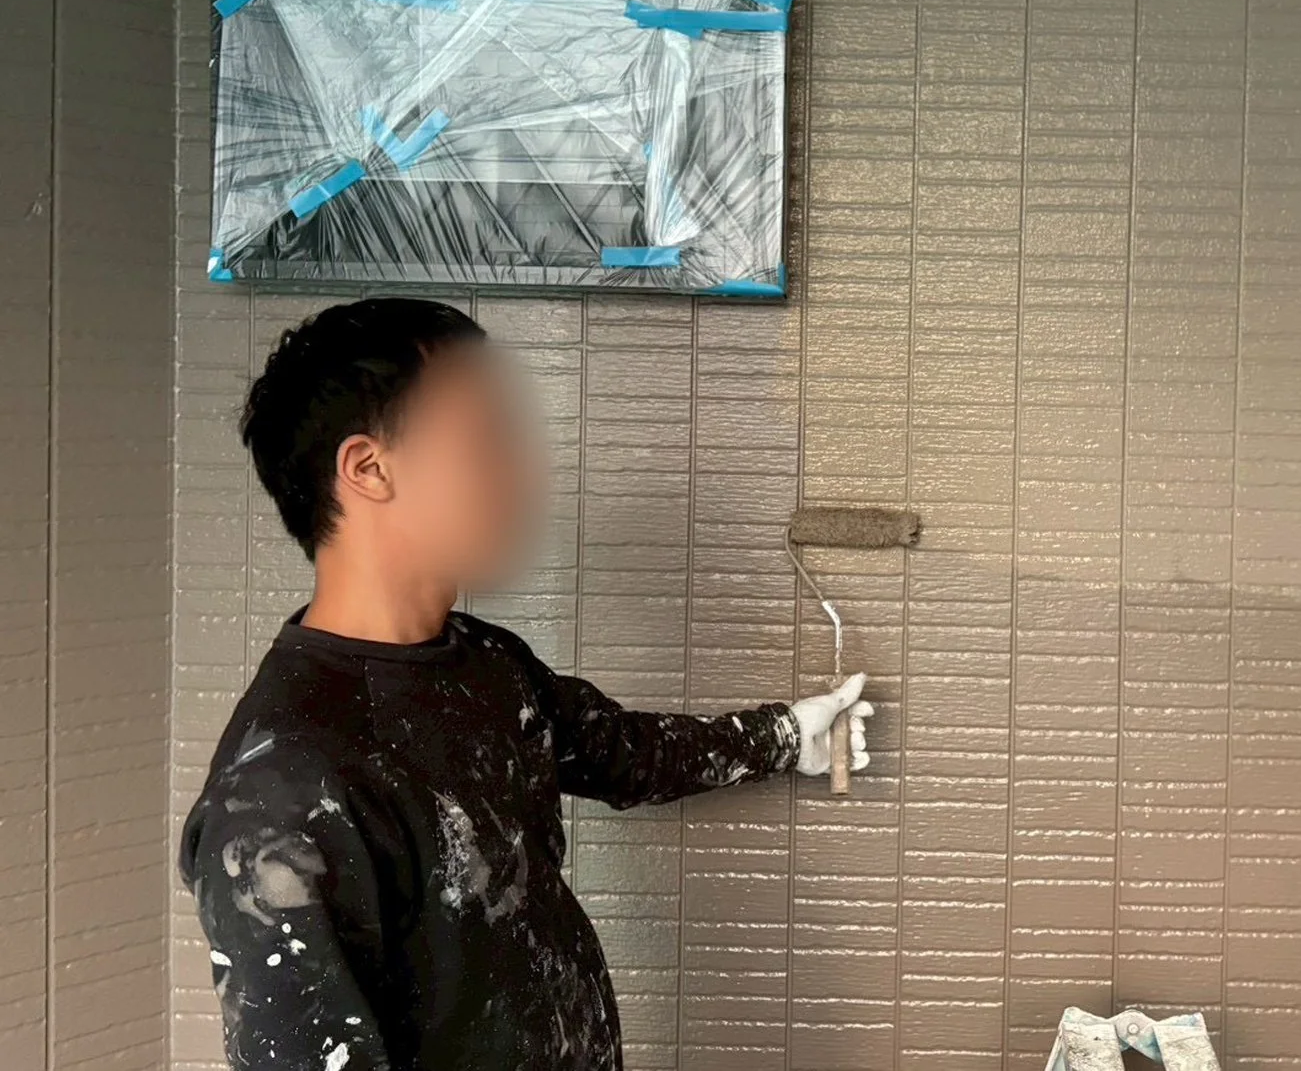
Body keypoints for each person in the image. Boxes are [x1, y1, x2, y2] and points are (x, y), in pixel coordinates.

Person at [179, 297, 871, 1071]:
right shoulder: (282, 792)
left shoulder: (482, 660)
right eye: (485, 439)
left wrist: (787, 736)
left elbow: (620, 752)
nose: (525, 471)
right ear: (369, 469)